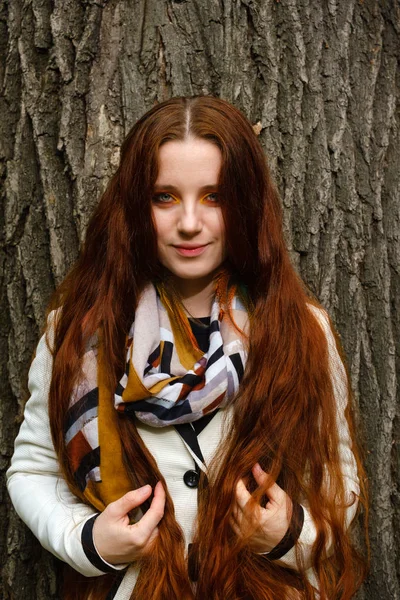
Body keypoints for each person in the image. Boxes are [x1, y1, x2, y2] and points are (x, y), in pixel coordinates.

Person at [7, 96, 368, 600]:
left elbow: (339, 480)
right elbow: (33, 470)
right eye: (165, 197)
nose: (191, 223)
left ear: (245, 203)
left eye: (215, 197)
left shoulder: (300, 331)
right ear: (135, 204)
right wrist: (90, 541)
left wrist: (289, 533)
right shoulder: (78, 333)